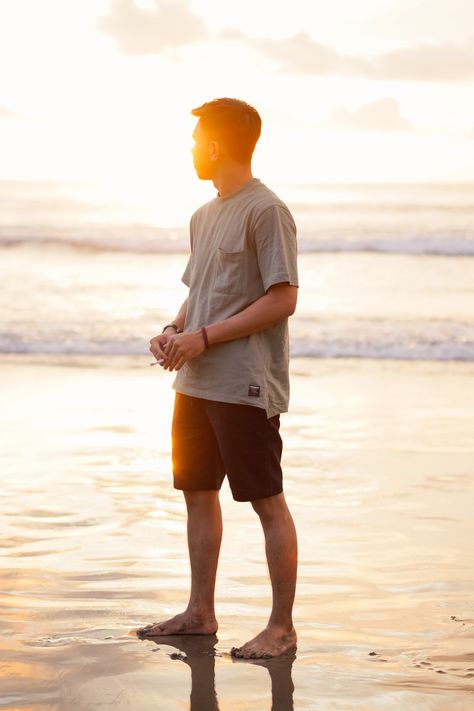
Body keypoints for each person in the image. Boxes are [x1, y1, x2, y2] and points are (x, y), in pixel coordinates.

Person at [138, 98, 299, 659]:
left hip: (244, 383)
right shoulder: (203, 215)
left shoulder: (266, 210)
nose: (190, 150)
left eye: (195, 140)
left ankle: (280, 628)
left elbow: (283, 299)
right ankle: (200, 613)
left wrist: (203, 337)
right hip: (194, 381)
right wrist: (174, 327)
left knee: (267, 501)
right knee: (197, 494)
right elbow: (199, 292)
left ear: (214, 144)